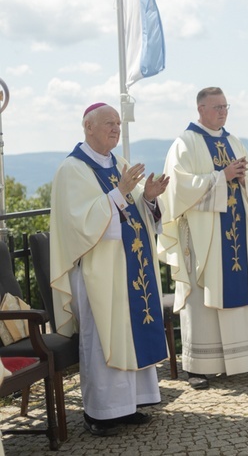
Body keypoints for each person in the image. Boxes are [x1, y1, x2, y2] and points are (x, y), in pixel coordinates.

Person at [50, 103, 169, 436]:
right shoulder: (71, 169)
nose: (116, 129)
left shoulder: (119, 163)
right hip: (98, 271)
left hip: (129, 265)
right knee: (102, 338)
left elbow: (133, 214)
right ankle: (101, 413)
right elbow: (79, 225)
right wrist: (120, 192)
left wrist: (147, 198)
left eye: (118, 123)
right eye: (109, 124)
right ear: (88, 127)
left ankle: (130, 404)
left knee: (130, 334)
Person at [158, 87, 248, 389]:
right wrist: (222, 177)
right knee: (201, 300)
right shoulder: (185, 142)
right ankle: (200, 366)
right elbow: (178, 189)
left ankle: (243, 359)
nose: (222, 112)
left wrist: (244, 177)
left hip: (234, 237)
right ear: (200, 109)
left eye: (225, 106)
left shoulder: (233, 141)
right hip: (203, 239)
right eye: (216, 107)